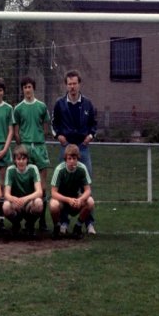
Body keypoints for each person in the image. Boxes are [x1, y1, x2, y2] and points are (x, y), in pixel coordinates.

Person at [51, 69, 97, 234]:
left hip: (82, 148)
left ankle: (89, 223)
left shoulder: (88, 103)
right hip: (66, 147)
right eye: (69, 84)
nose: (72, 87)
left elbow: (94, 124)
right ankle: (64, 222)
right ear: (66, 85)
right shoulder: (59, 103)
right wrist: (58, 135)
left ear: (79, 84)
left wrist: (90, 136)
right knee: (63, 185)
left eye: (75, 83)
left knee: (86, 186)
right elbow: (54, 123)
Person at [13, 76, 51, 231]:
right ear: (22, 89)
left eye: (29, 87)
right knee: (27, 184)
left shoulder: (42, 106)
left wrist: (39, 138)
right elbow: (16, 132)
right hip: (26, 148)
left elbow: (46, 127)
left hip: (40, 148)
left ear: (33, 88)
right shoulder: (18, 108)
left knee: (42, 186)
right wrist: (23, 145)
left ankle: (42, 220)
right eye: (25, 87)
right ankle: (25, 217)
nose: (27, 90)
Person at [49, 144, 95, 240]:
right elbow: (53, 193)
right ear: (65, 158)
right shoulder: (59, 169)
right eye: (69, 158)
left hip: (75, 198)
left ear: (78, 158)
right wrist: (68, 200)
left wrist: (80, 199)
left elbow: (88, 190)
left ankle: (78, 227)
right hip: (62, 200)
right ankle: (57, 227)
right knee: (53, 205)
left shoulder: (82, 168)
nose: (72, 161)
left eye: (74, 158)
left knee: (90, 202)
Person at [2, 145, 43, 237]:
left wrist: (24, 199)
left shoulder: (33, 168)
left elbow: (39, 192)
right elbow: (6, 194)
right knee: (6, 206)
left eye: (23, 159)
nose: (21, 161)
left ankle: (30, 224)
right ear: (15, 160)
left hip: (29, 202)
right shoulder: (10, 170)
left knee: (39, 203)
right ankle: (16, 223)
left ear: (27, 159)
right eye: (18, 159)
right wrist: (14, 199)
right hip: (16, 203)